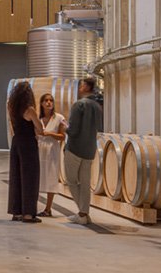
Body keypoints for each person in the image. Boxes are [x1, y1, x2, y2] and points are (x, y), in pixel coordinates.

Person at [64, 76, 104, 225]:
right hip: (89, 149)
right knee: (85, 183)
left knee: (71, 181)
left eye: (81, 85)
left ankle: (82, 212)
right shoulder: (97, 107)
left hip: (75, 148)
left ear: (86, 87)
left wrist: (64, 127)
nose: (79, 88)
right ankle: (84, 214)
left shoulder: (78, 105)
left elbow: (73, 131)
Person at [7, 80, 42, 222]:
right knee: (30, 178)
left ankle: (17, 212)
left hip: (16, 142)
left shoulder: (12, 108)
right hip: (28, 143)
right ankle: (28, 213)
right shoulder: (29, 109)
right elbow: (40, 129)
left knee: (16, 177)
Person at [36, 91, 67, 217]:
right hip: (39, 149)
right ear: (42, 104)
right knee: (37, 177)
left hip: (52, 150)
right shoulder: (38, 119)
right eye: (46, 100)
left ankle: (48, 209)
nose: (49, 102)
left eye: (51, 100)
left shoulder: (59, 118)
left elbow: (62, 136)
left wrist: (49, 134)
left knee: (51, 177)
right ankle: (33, 206)